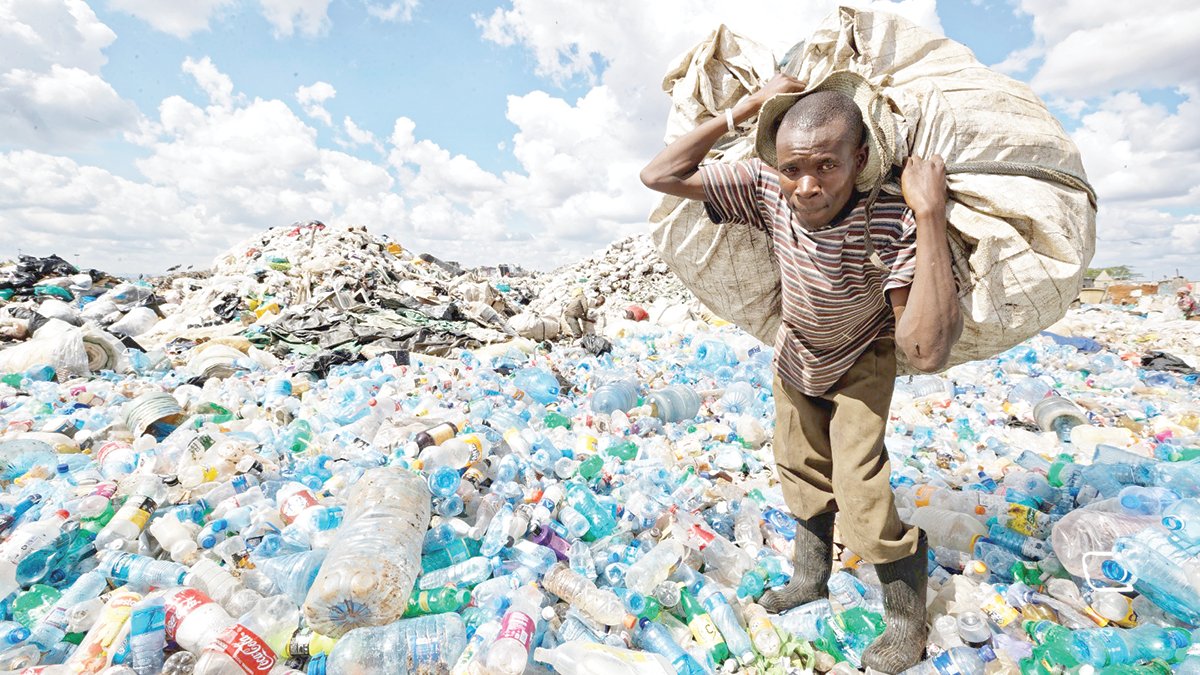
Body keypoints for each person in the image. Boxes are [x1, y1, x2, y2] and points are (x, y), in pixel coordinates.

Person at [640, 73, 962, 673]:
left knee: (861, 490)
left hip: (863, 359)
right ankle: (809, 580)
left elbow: (924, 351)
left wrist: (931, 214)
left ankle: (904, 619)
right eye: (793, 168)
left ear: (859, 159)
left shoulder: (887, 218)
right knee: (798, 469)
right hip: (797, 356)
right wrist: (746, 109)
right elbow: (659, 175)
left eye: (826, 166)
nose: (807, 186)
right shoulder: (767, 190)